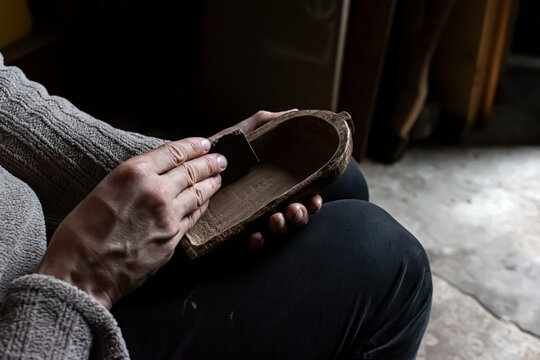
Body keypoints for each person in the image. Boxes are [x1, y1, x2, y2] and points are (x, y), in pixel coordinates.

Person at [0, 52, 432, 359]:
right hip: (45, 326)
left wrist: (179, 165)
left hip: (40, 252)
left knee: (342, 183)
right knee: (383, 255)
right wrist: (80, 279)